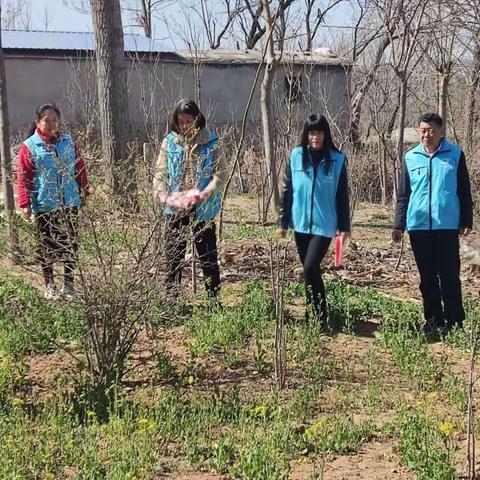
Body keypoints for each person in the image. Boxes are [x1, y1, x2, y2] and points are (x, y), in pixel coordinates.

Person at [392, 112, 473, 336]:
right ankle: (433, 320)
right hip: (418, 227)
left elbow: (464, 191)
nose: (426, 135)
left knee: (449, 276)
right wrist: (399, 225)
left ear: (440, 131)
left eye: (430, 130)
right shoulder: (410, 157)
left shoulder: (455, 155)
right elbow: (403, 195)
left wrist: (466, 220)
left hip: (446, 226)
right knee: (427, 277)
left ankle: (455, 322)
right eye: (422, 130)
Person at [277, 114, 351, 328]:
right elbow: (287, 190)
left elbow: (341, 195)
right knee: (311, 270)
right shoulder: (296, 155)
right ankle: (312, 314)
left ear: (325, 134)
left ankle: (321, 315)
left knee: (310, 267)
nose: (315, 137)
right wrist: (283, 222)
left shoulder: (337, 160)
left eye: (318, 133)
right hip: (300, 223)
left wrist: (344, 227)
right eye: (311, 133)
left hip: (325, 224)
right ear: (306, 135)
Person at [153, 99, 227, 301]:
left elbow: (220, 174)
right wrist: (163, 196)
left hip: (203, 208)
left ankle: (213, 300)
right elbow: (160, 174)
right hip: (176, 206)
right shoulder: (169, 142)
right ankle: (172, 300)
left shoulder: (211, 141)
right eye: (181, 121)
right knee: (173, 255)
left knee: (208, 256)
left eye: (189, 121)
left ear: (197, 119)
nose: (185, 126)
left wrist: (204, 193)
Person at [17, 104, 89, 300]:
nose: (51, 124)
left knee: (70, 245)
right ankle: (49, 285)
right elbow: (24, 177)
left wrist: (85, 193)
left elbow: (79, 169)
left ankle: (69, 284)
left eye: (54, 120)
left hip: (69, 203)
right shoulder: (30, 146)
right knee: (46, 247)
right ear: (37, 122)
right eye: (46, 120)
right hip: (45, 205)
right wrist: (25, 204)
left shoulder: (68, 142)